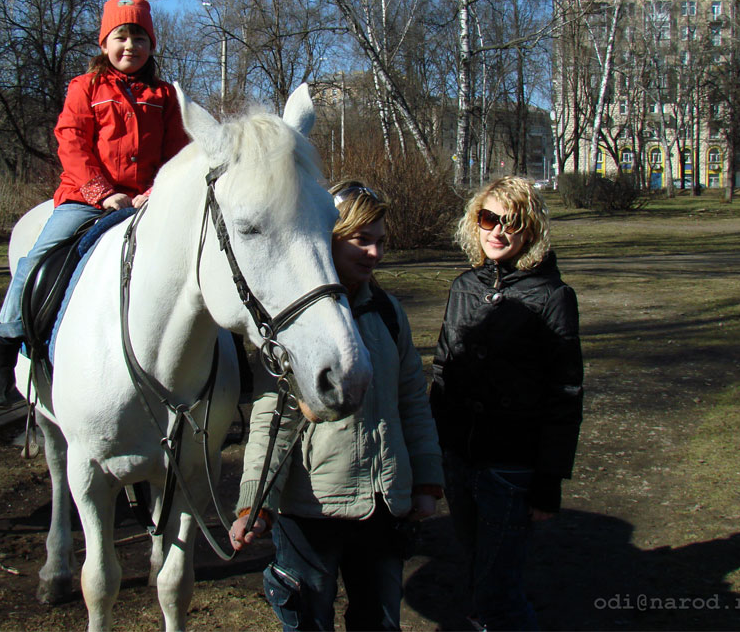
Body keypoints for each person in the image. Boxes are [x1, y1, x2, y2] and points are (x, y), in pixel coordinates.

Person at [230, 180, 444, 631]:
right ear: (328, 239)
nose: (375, 253)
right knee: (309, 622)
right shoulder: (290, 324)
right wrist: (256, 504)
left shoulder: (389, 313)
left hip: (385, 506)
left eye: (381, 242)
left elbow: (412, 403)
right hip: (313, 510)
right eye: (361, 240)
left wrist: (425, 479)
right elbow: (272, 420)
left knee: (380, 623)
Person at [0, 0, 189, 408]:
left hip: (147, 200)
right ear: (104, 43)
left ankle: (228, 362)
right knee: (38, 260)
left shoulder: (165, 95)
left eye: (141, 37)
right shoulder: (86, 87)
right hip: (85, 198)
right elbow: (72, 143)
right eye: (122, 35)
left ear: (152, 46)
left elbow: (176, 151)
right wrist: (103, 193)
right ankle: (3, 358)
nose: (131, 45)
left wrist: (153, 192)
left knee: (199, 257)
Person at [429, 176, 584, 631]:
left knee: (499, 590)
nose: (497, 231)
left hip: (510, 467)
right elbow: (443, 370)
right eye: (488, 218)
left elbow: (566, 392)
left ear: (530, 230)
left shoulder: (552, 297)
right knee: (477, 570)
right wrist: (432, 450)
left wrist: (548, 480)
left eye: (510, 222)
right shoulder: (464, 287)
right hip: (459, 459)